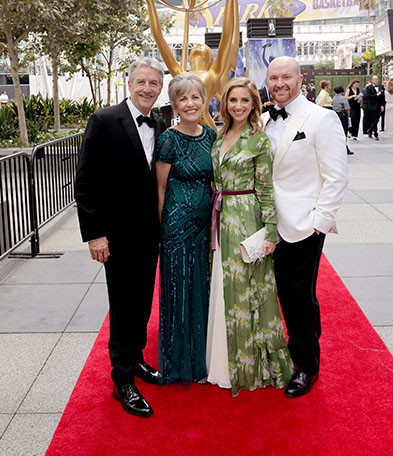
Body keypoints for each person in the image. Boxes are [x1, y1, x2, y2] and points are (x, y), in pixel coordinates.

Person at [75, 57, 166, 418]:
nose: (147, 89)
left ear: (160, 88)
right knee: (124, 305)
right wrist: (94, 234)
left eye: (154, 84)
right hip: (116, 235)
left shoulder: (160, 122)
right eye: (142, 82)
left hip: (149, 233)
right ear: (130, 84)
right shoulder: (103, 120)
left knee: (143, 302)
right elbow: (86, 181)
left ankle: (136, 358)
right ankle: (122, 379)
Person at [264, 57, 348, 398]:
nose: (280, 82)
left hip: (303, 225)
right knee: (278, 292)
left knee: (299, 296)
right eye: (274, 77)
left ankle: (306, 366)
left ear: (300, 79)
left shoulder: (322, 118)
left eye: (286, 76)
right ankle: (288, 349)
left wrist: (320, 223)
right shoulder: (265, 119)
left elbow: (336, 175)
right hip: (267, 223)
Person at [206, 77, 294, 397]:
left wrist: (270, 233)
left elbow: (266, 189)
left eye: (245, 101)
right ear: (225, 104)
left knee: (248, 291)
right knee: (223, 287)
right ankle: (219, 361)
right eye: (233, 101)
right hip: (219, 217)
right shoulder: (219, 135)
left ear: (254, 104)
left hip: (246, 216)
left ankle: (247, 366)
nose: (239, 106)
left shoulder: (258, 140)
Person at [155, 74, 216, 384]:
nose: (190, 103)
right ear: (175, 105)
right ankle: (178, 362)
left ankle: (202, 357)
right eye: (183, 99)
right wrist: (161, 227)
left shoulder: (210, 135)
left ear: (203, 99)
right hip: (177, 226)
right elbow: (160, 188)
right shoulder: (168, 139)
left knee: (201, 286)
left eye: (195, 97)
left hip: (204, 225)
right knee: (179, 288)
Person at [363, 75, 385, 140]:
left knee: (377, 120)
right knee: (374, 119)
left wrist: (382, 105)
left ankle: (370, 130)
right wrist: (376, 95)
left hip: (379, 106)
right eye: (374, 79)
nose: (376, 80)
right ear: (372, 80)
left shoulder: (381, 87)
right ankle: (375, 133)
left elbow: (382, 97)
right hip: (372, 106)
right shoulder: (369, 87)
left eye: (377, 79)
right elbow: (368, 97)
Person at [332, 85, 353, 155]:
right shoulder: (343, 98)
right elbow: (347, 108)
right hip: (342, 115)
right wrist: (348, 116)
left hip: (336, 115)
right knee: (344, 131)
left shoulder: (334, 98)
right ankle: (344, 147)